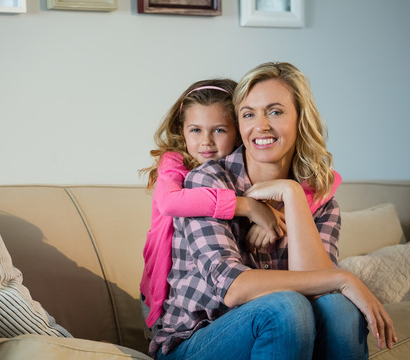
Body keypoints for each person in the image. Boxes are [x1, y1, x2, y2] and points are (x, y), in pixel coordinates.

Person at [150, 62, 397, 360]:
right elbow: (233, 288)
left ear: (300, 119)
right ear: (240, 125)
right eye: (249, 114)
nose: (261, 125)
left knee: (339, 309)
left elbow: (319, 289)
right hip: (196, 342)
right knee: (285, 306)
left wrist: (291, 195)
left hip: (280, 334)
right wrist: (343, 278)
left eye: (276, 111)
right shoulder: (207, 181)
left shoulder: (321, 201)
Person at [139, 79, 286, 338]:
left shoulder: (246, 168)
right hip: (163, 288)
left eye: (219, 130)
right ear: (181, 130)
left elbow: (322, 184)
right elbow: (170, 202)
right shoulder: (174, 164)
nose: (206, 141)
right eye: (195, 130)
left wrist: (282, 213)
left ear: (239, 130)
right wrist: (247, 206)